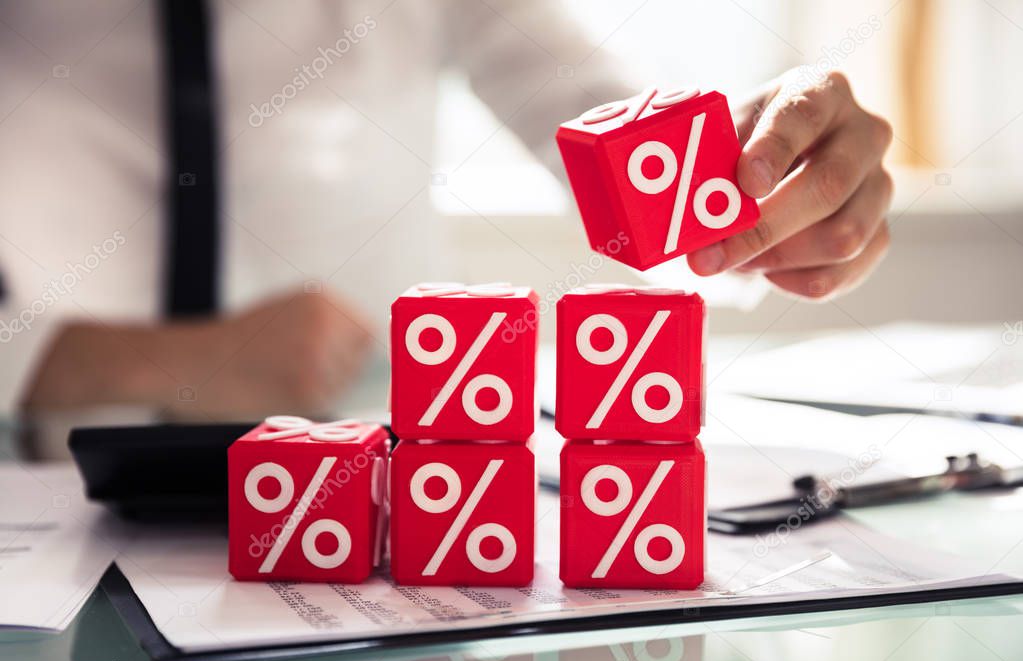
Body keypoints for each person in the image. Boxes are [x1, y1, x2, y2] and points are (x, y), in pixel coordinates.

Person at [0, 1, 892, 419]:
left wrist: (767, 189)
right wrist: (138, 363)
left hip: (403, 487)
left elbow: (605, 122)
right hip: (38, 497)